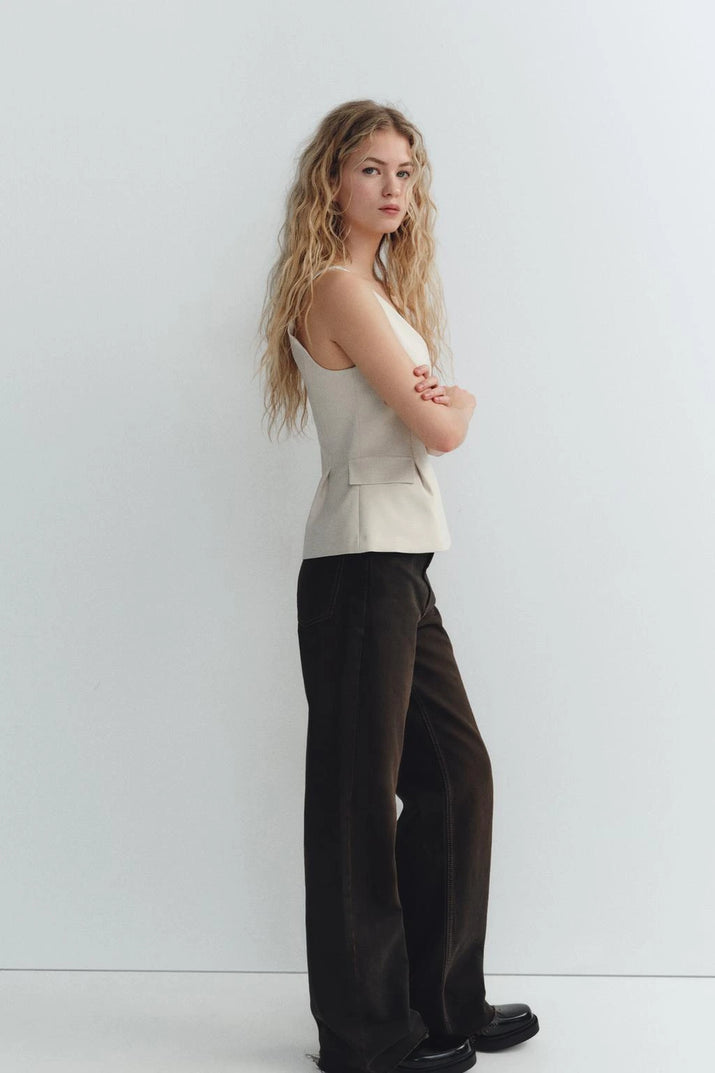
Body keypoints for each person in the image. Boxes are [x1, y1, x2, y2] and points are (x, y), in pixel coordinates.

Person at [257, 99, 539, 1073]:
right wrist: (452, 397)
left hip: (398, 563)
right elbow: (442, 427)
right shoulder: (337, 289)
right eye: (371, 168)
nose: (391, 188)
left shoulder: (381, 297)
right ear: (330, 181)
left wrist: (440, 397)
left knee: (455, 773)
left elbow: (430, 414)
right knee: (354, 802)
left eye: (405, 172)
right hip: (357, 564)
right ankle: (367, 1036)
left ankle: (440, 1000)